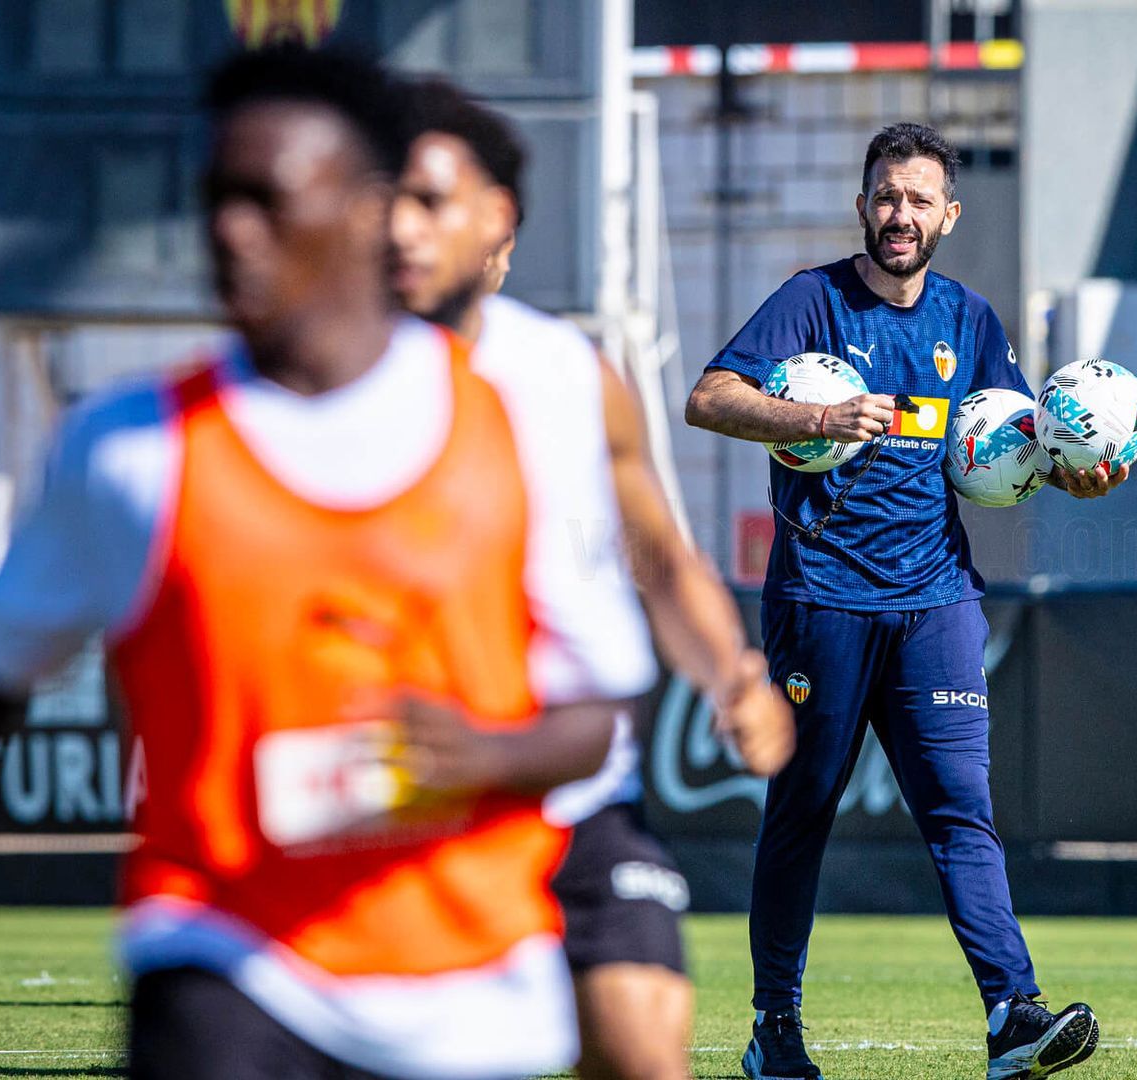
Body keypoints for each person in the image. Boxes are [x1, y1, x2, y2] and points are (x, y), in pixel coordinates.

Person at [0, 46, 633, 1080]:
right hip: (220, 958)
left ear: (364, 210)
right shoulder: (127, 449)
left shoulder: (521, 423)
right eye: (213, 198)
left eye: (264, 199)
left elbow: (594, 717)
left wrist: (482, 758)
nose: (226, 230)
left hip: (472, 993)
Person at [684, 122, 1122, 1080]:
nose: (901, 216)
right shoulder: (811, 301)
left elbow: (1010, 452)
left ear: (948, 216)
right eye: (887, 196)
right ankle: (775, 1029)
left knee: (962, 811)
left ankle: (1013, 1015)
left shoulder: (968, 322)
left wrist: (1070, 473)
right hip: (822, 599)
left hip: (936, 601)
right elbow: (709, 397)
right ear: (863, 205)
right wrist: (814, 419)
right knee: (801, 811)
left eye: (920, 200)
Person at [388, 78, 795, 1080]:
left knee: (643, 1048)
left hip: (576, 799)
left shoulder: (571, 374)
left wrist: (731, 675)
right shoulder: (324, 376)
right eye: (385, 198)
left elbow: (660, 556)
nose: (403, 228)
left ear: (501, 227)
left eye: (432, 202)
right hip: (405, 802)